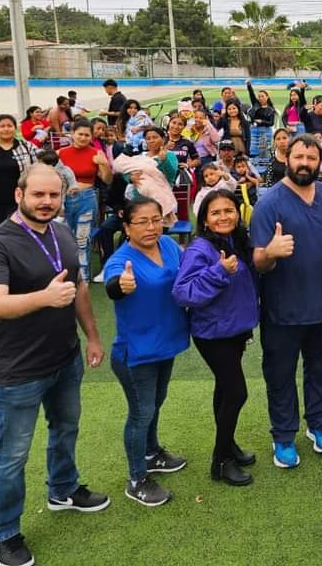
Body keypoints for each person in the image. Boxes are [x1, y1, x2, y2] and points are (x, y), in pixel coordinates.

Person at [0, 164, 109, 566]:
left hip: (65, 357)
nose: (47, 202)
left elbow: (78, 287)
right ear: (20, 195)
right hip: (19, 369)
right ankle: (3, 533)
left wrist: (92, 336)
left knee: (66, 428)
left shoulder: (61, 232)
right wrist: (44, 298)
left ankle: (62, 490)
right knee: (12, 454)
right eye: (38, 195)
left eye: (54, 195)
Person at [251, 135, 322, 468]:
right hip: (282, 310)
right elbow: (258, 262)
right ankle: (283, 435)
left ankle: (319, 425)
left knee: (319, 371)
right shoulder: (269, 204)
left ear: (320, 162)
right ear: (287, 158)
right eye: (299, 157)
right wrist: (269, 253)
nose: (304, 163)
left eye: (311, 158)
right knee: (280, 375)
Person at [102, 197, 189, 507]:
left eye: (156, 219)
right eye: (142, 221)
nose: (151, 227)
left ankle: (152, 454)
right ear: (127, 227)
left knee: (156, 402)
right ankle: (137, 479)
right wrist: (120, 285)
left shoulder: (168, 245)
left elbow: (187, 268)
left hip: (165, 344)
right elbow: (113, 283)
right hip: (136, 353)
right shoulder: (121, 259)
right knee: (141, 413)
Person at [172, 190, 260, 486]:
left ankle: (228, 446)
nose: (223, 217)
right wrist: (218, 271)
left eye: (229, 210)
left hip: (234, 329)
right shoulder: (200, 249)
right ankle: (220, 461)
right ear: (205, 220)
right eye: (216, 212)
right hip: (213, 333)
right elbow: (183, 292)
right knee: (236, 393)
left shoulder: (237, 240)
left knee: (224, 389)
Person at [57, 119, 113, 282]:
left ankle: (83, 279)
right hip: (64, 200)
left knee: (83, 240)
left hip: (87, 199)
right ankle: (65, 277)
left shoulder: (96, 153)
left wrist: (104, 164)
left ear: (91, 136)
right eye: (80, 134)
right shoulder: (60, 153)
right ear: (72, 134)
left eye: (87, 135)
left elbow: (107, 180)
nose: (83, 138)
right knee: (63, 240)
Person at [245, 79, 277, 160]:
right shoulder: (256, 104)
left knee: (263, 153)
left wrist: (262, 121)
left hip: (264, 132)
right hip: (253, 130)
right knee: (252, 150)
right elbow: (251, 94)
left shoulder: (271, 109)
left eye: (262, 96)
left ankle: (262, 166)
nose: (260, 98)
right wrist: (249, 85)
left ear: (267, 97)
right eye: (259, 96)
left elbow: (271, 123)